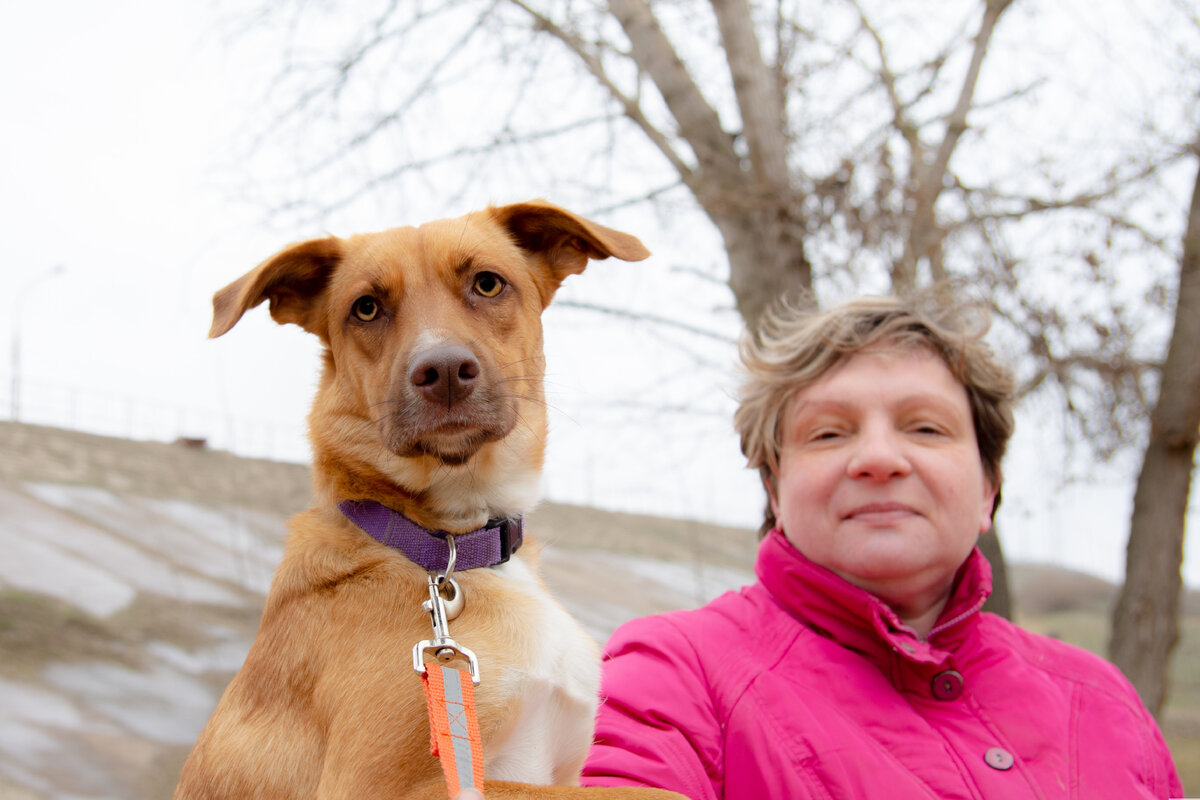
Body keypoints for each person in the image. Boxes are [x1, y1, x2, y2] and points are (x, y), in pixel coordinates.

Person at [580, 294, 1183, 799]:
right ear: (775, 490)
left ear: (988, 490)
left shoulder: (1102, 699)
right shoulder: (675, 671)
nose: (877, 459)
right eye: (828, 432)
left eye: (925, 427)